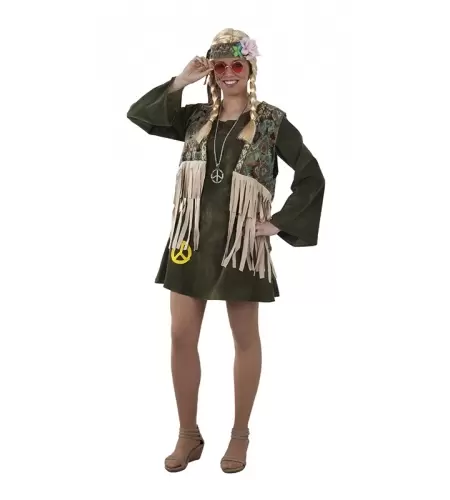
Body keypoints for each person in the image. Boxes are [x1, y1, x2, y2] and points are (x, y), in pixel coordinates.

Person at [126, 28, 325, 473]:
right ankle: (188, 434)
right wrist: (182, 80)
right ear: (212, 71)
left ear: (250, 68)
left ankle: (239, 435)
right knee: (181, 335)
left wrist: (277, 224)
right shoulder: (196, 118)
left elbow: (311, 174)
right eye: (220, 66)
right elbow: (140, 115)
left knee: (244, 337)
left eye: (237, 64)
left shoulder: (271, 121)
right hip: (190, 240)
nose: (229, 72)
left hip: (240, 245)